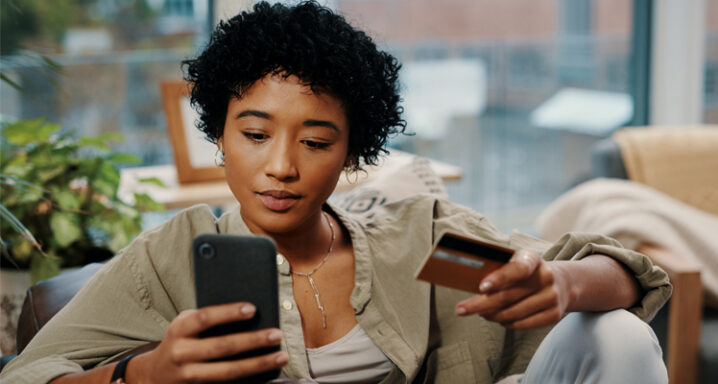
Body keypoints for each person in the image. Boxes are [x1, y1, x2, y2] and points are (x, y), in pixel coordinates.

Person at [0, 2, 671, 383]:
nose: (281, 167)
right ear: (220, 135)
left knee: (614, 332)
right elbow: (26, 374)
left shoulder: (420, 246)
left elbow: (626, 276)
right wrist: (143, 376)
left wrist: (561, 283)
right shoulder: (172, 259)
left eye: (316, 142)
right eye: (255, 134)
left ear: (351, 152)